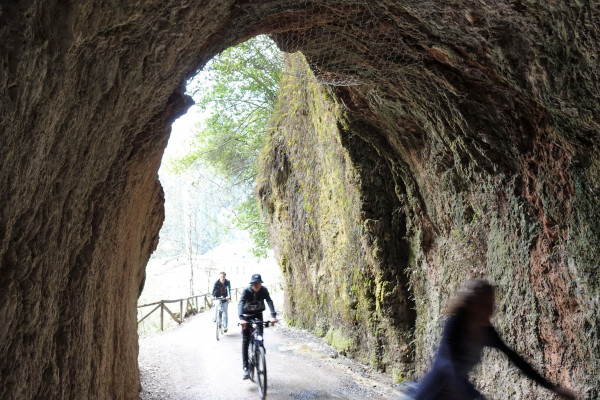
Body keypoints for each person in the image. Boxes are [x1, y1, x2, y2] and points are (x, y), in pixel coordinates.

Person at [414, 279, 577, 400]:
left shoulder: (487, 331)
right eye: (485, 304)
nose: (491, 309)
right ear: (472, 305)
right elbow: (446, 364)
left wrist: (551, 386)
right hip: (434, 393)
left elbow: (515, 359)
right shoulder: (455, 323)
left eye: (492, 303)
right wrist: (475, 396)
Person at [238, 273, 277, 380]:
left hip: (258, 314)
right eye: (254, 283)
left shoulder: (263, 290)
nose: (256, 285)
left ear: (260, 283)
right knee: (245, 340)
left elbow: (269, 301)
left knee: (260, 335)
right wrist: (241, 318)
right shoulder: (246, 291)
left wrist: (273, 316)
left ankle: (260, 347)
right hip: (246, 316)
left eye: (258, 283)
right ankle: (246, 368)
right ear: (251, 283)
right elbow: (241, 303)